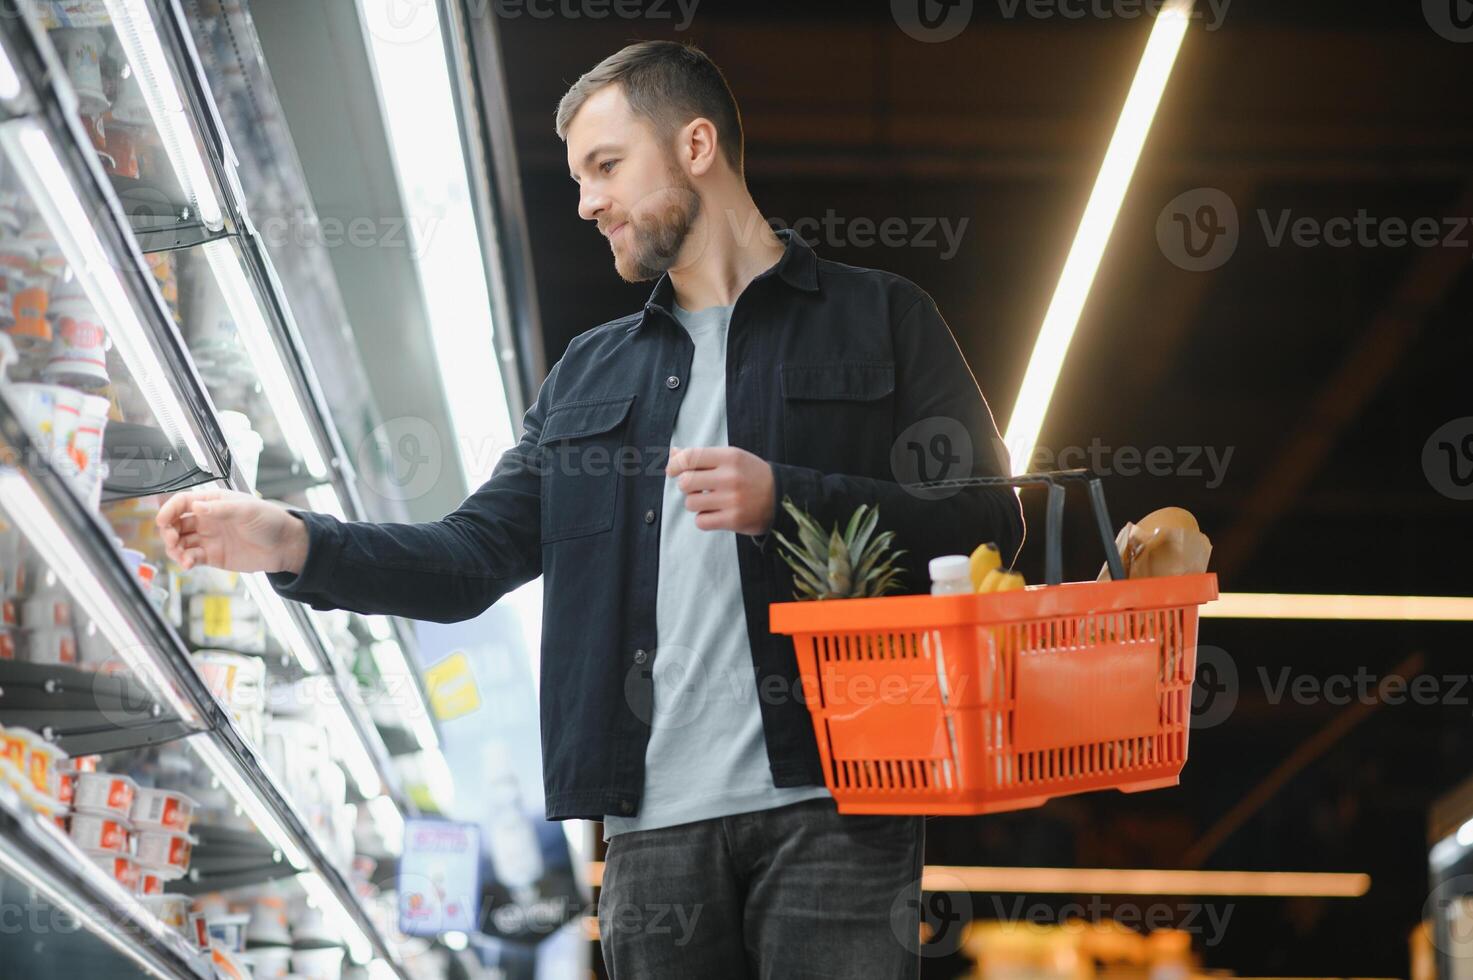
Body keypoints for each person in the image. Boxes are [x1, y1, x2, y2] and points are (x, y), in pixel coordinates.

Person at [156, 39, 1022, 979]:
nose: (586, 202)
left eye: (606, 166)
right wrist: (295, 541)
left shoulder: (882, 317)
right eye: (578, 177)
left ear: (696, 145)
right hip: (648, 831)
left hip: (838, 804)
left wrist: (788, 499)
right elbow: (470, 558)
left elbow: (984, 519)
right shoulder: (588, 372)